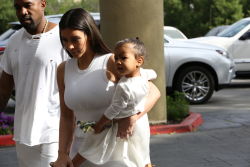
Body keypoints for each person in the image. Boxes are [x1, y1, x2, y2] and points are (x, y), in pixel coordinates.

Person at [50, 8, 160, 167]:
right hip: (82, 148)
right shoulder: (63, 69)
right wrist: (62, 154)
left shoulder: (112, 62)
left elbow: (154, 92)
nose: (69, 46)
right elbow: (67, 117)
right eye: (64, 40)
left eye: (75, 39)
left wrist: (132, 117)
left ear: (89, 35)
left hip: (116, 149)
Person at [0, 0, 68, 166]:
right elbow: (4, 88)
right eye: (17, 7)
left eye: (27, 5)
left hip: (54, 133)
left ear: (42, 4)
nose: (22, 11)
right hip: (23, 134)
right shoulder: (14, 41)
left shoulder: (63, 38)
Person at [71, 38, 157, 167]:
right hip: (141, 123)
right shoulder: (143, 76)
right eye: (116, 58)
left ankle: (71, 164)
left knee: (92, 141)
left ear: (139, 61)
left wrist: (100, 124)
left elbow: (114, 109)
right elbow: (153, 73)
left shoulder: (124, 86)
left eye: (123, 58)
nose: (118, 62)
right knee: (140, 153)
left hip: (119, 124)